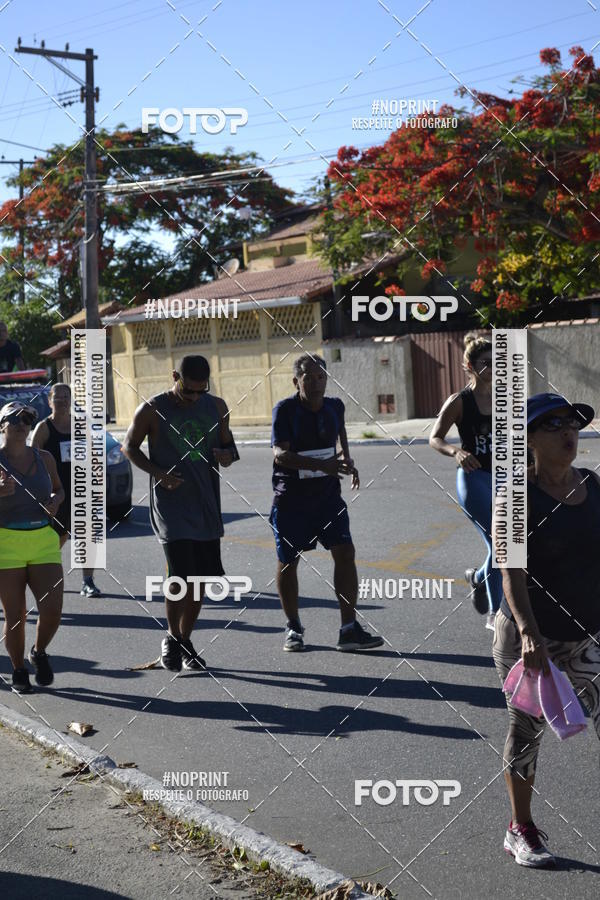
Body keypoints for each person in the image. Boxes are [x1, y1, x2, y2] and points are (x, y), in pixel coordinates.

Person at [493, 392, 600, 867]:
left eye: (573, 423)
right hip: (531, 636)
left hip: (590, 635)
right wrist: (528, 632)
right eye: (553, 424)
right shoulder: (515, 496)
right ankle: (521, 828)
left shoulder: (595, 487)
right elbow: (511, 570)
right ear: (530, 439)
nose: (567, 432)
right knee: (527, 730)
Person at [123, 355, 238, 672]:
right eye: (190, 392)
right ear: (175, 376)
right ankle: (174, 637)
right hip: (170, 507)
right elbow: (129, 447)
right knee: (180, 576)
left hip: (205, 506)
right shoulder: (152, 409)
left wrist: (225, 455)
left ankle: (180, 641)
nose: (195, 398)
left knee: (199, 581)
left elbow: (231, 450)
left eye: (202, 391)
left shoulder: (216, 407)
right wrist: (158, 473)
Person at [270, 353, 384, 653]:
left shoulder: (335, 405)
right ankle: (293, 627)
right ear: (297, 381)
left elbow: (340, 429)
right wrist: (324, 466)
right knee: (288, 562)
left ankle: (348, 629)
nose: (317, 382)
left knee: (345, 553)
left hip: (327, 497)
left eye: (322, 376)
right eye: (309, 377)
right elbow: (280, 455)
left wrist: (346, 456)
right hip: (291, 499)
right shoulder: (285, 410)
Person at [429, 332, 500, 630]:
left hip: (504, 478)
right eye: (486, 362)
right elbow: (435, 438)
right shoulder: (459, 401)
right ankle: (497, 616)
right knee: (503, 545)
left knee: (507, 545)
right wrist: (456, 451)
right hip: (473, 479)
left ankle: (478, 578)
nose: (494, 366)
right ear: (470, 365)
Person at [0, 401, 64, 693]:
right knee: (16, 616)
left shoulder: (44, 457)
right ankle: (18, 670)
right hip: (6, 543)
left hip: (42, 540)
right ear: (2, 425)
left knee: (52, 611)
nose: (22, 423)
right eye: (14, 419)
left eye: (27, 419)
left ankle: (38, 652)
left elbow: (59, 489)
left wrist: (55, 501)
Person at [31, 383, 102, 597]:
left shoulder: (80, 425)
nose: (62, 401)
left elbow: (93, 455)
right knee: (58, 537)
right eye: (57, 398)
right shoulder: (44, 428)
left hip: (81, 487)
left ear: (71, 400)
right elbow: (32, 459)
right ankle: (40, 575)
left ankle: (87, 581)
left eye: (66, 397)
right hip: (55, 491)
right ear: (49, 401)